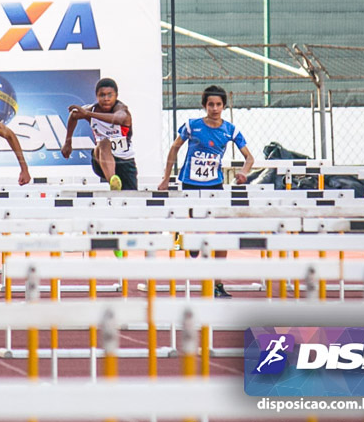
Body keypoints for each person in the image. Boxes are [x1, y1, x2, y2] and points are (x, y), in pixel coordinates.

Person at [158, 85, 255, 298]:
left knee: (221, 233)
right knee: (199, 226)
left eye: (218, 104)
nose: (214, 108)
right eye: (210, 104)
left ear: (223, 106)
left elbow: (250, 158)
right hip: (191, 184)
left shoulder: (231, 130)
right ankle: (192, 238)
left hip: (215, 185)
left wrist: (244, 173)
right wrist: (166, 178)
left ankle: (217, 283)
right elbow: (174, 148)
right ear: (204, 106)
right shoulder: (192, 126)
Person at [61, 77, 137, 191]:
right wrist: (68, 142)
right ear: (96, 96)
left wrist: (88, 114)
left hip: (125, 161)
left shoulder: (122, 110)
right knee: (104, 143)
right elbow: (73, 115)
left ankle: (116, 182)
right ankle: (113, 181)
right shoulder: (91, 109)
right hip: (101, 159)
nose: (106, 99)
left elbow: (119, 119)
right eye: (102, 95)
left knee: (131, 197)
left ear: (116, 95)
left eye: (110, 95)